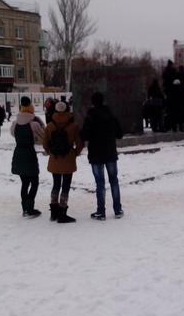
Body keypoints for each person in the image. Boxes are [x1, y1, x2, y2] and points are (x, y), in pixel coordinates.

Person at [80, 92, 124, 221]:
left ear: (93, 102)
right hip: (110, 153)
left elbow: (84, 136)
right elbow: (119, 134)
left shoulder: (90, 117)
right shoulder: (111, 115)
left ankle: (101, 212)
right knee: (114, 181)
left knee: (100, 183)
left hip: (96, 154)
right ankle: (117, 210)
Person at [43, 101, 84, 223]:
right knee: (65, 186)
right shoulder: (73, 126)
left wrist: (50, 152)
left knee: (56, 184)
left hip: (54, 159)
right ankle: (62, 212)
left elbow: (45, 144)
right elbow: (80, 144)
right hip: (68, 159)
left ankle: (54, 212)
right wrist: (74, 153)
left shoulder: (50, 126)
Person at [10, 96, 45, 218]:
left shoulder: (15, 124)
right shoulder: (34, 124)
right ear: (31, 109)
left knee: (24, 183)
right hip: (29, 154)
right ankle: (30, 208)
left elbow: (12, 134)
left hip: (18, 153)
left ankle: (25, 208)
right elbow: (43, 135)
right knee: (34, 182)